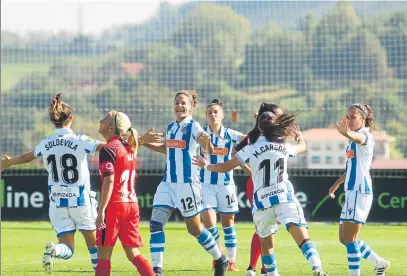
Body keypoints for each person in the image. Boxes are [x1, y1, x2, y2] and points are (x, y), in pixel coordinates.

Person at [193, 112, 327, 276]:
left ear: (259, 127)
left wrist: (207, 166)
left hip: (262, 201)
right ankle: (317, 267)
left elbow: (225, 166)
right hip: (284, 196)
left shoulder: (251, 146)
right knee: (303, 238)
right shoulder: (283, 145)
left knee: (267, 246)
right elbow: (302, 147)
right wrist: (300, 138)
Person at [1, 94, 104, 273]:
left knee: (68, 249)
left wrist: (9, 162)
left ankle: (55, 250)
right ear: (71, 118)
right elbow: (108, 146)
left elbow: (27, 157)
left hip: (57, 200)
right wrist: (133, 141)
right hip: (80, 199)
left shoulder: (46, 143)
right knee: (94, 246)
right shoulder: (80, 140)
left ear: (52, 121)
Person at [143, 90, 229, 276]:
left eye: (183, 103)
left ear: (191, 107)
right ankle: (157, 270)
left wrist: (207, 144)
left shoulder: (194, 126)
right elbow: (167, 149)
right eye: (177, 102)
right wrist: (143, 142)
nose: (179, 105)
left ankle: (220, 258)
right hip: (167, 183)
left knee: (194, 228)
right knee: (155, 224)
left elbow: (209, 149)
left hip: (187, 184)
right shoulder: (171, 126)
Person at [95, 110, 162, 276]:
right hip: (131, 205)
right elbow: (129, 145)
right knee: (134, 254)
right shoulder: (129, 147)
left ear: (111, 127)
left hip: (114, 206)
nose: (100, 121)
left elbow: (110, 181)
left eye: (104, 119)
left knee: (103, 256)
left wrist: (101, 210)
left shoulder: (108, 149)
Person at [328, 104, 390, 276]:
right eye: (347, 117)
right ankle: (379, 263)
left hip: (359, 190)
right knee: (344, 238)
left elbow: (358, 138)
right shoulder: (352, 139)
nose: (349, 120)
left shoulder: (365, 136)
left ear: (363, 118)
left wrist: (346, 132)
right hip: (351, 191)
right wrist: (337, 183)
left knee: (350, 239)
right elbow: (351, 168)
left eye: (353, 117)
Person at [233, 103, 283, 276]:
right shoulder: (255, 136)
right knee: (265, 226)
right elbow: (235, 153)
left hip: (267, 185)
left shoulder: (274, 137)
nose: (279, 120)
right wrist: (250, 169)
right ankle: (258, 268)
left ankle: (257, 268)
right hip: (259, 185)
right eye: (278, 117)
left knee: (265, 226)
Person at [199, 99, 246, 271]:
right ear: (206, 116)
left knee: (228, 223)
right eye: (210, 112)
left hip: (226, 184)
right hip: (205, 184)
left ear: (222, 115)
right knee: (209, 222)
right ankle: (219, 257)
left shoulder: (231, 134)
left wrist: (244, 162)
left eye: (215, 112)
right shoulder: (201, 133)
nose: (212, 115)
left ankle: (232, 261)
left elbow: (248, 140)